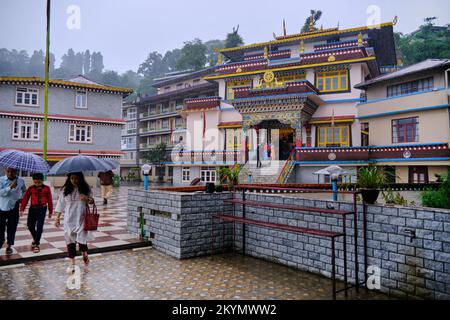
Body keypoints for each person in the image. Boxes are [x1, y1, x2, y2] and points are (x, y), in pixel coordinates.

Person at [54, 172, 94, 273]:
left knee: (82, 239)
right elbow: (60, 204)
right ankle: (72, 262)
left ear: (80, 178)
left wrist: (87, 199)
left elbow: (92, 201)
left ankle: (84, 253)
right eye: (72, 178)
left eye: (76, 178)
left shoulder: (86, 188)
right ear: (69, 179)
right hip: (69, 219)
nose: (74, 181)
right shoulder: (65, 190)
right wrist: (57, 218)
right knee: (69, 240)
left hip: (82, 218)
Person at [19, 173, 53, 253]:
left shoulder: (47, 188)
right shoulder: (31, 188)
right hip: (32, 209)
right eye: (35, 182)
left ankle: (37, 244)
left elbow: (50, 200)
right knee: (30, 225)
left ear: (42, 180)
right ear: (33, 181)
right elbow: (25, 199)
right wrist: (22, 209)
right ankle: (35, 239)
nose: (37, 184)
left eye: (39, 182)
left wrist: (50, 211)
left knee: (39, 226)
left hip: (42, 209)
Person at [0, 168, 26, 255]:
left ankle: (9, 245)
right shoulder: (1, 179)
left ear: (16, 172)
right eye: (8, 171)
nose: (10, 173)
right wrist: (10, 187)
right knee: (0, 227)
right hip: (1, 207)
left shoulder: (21, 180)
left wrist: (21, 198)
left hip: (14, 207)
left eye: (13, 171)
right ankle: (1, 240)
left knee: (12, 227)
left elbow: (24, 190)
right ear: (5, 171)